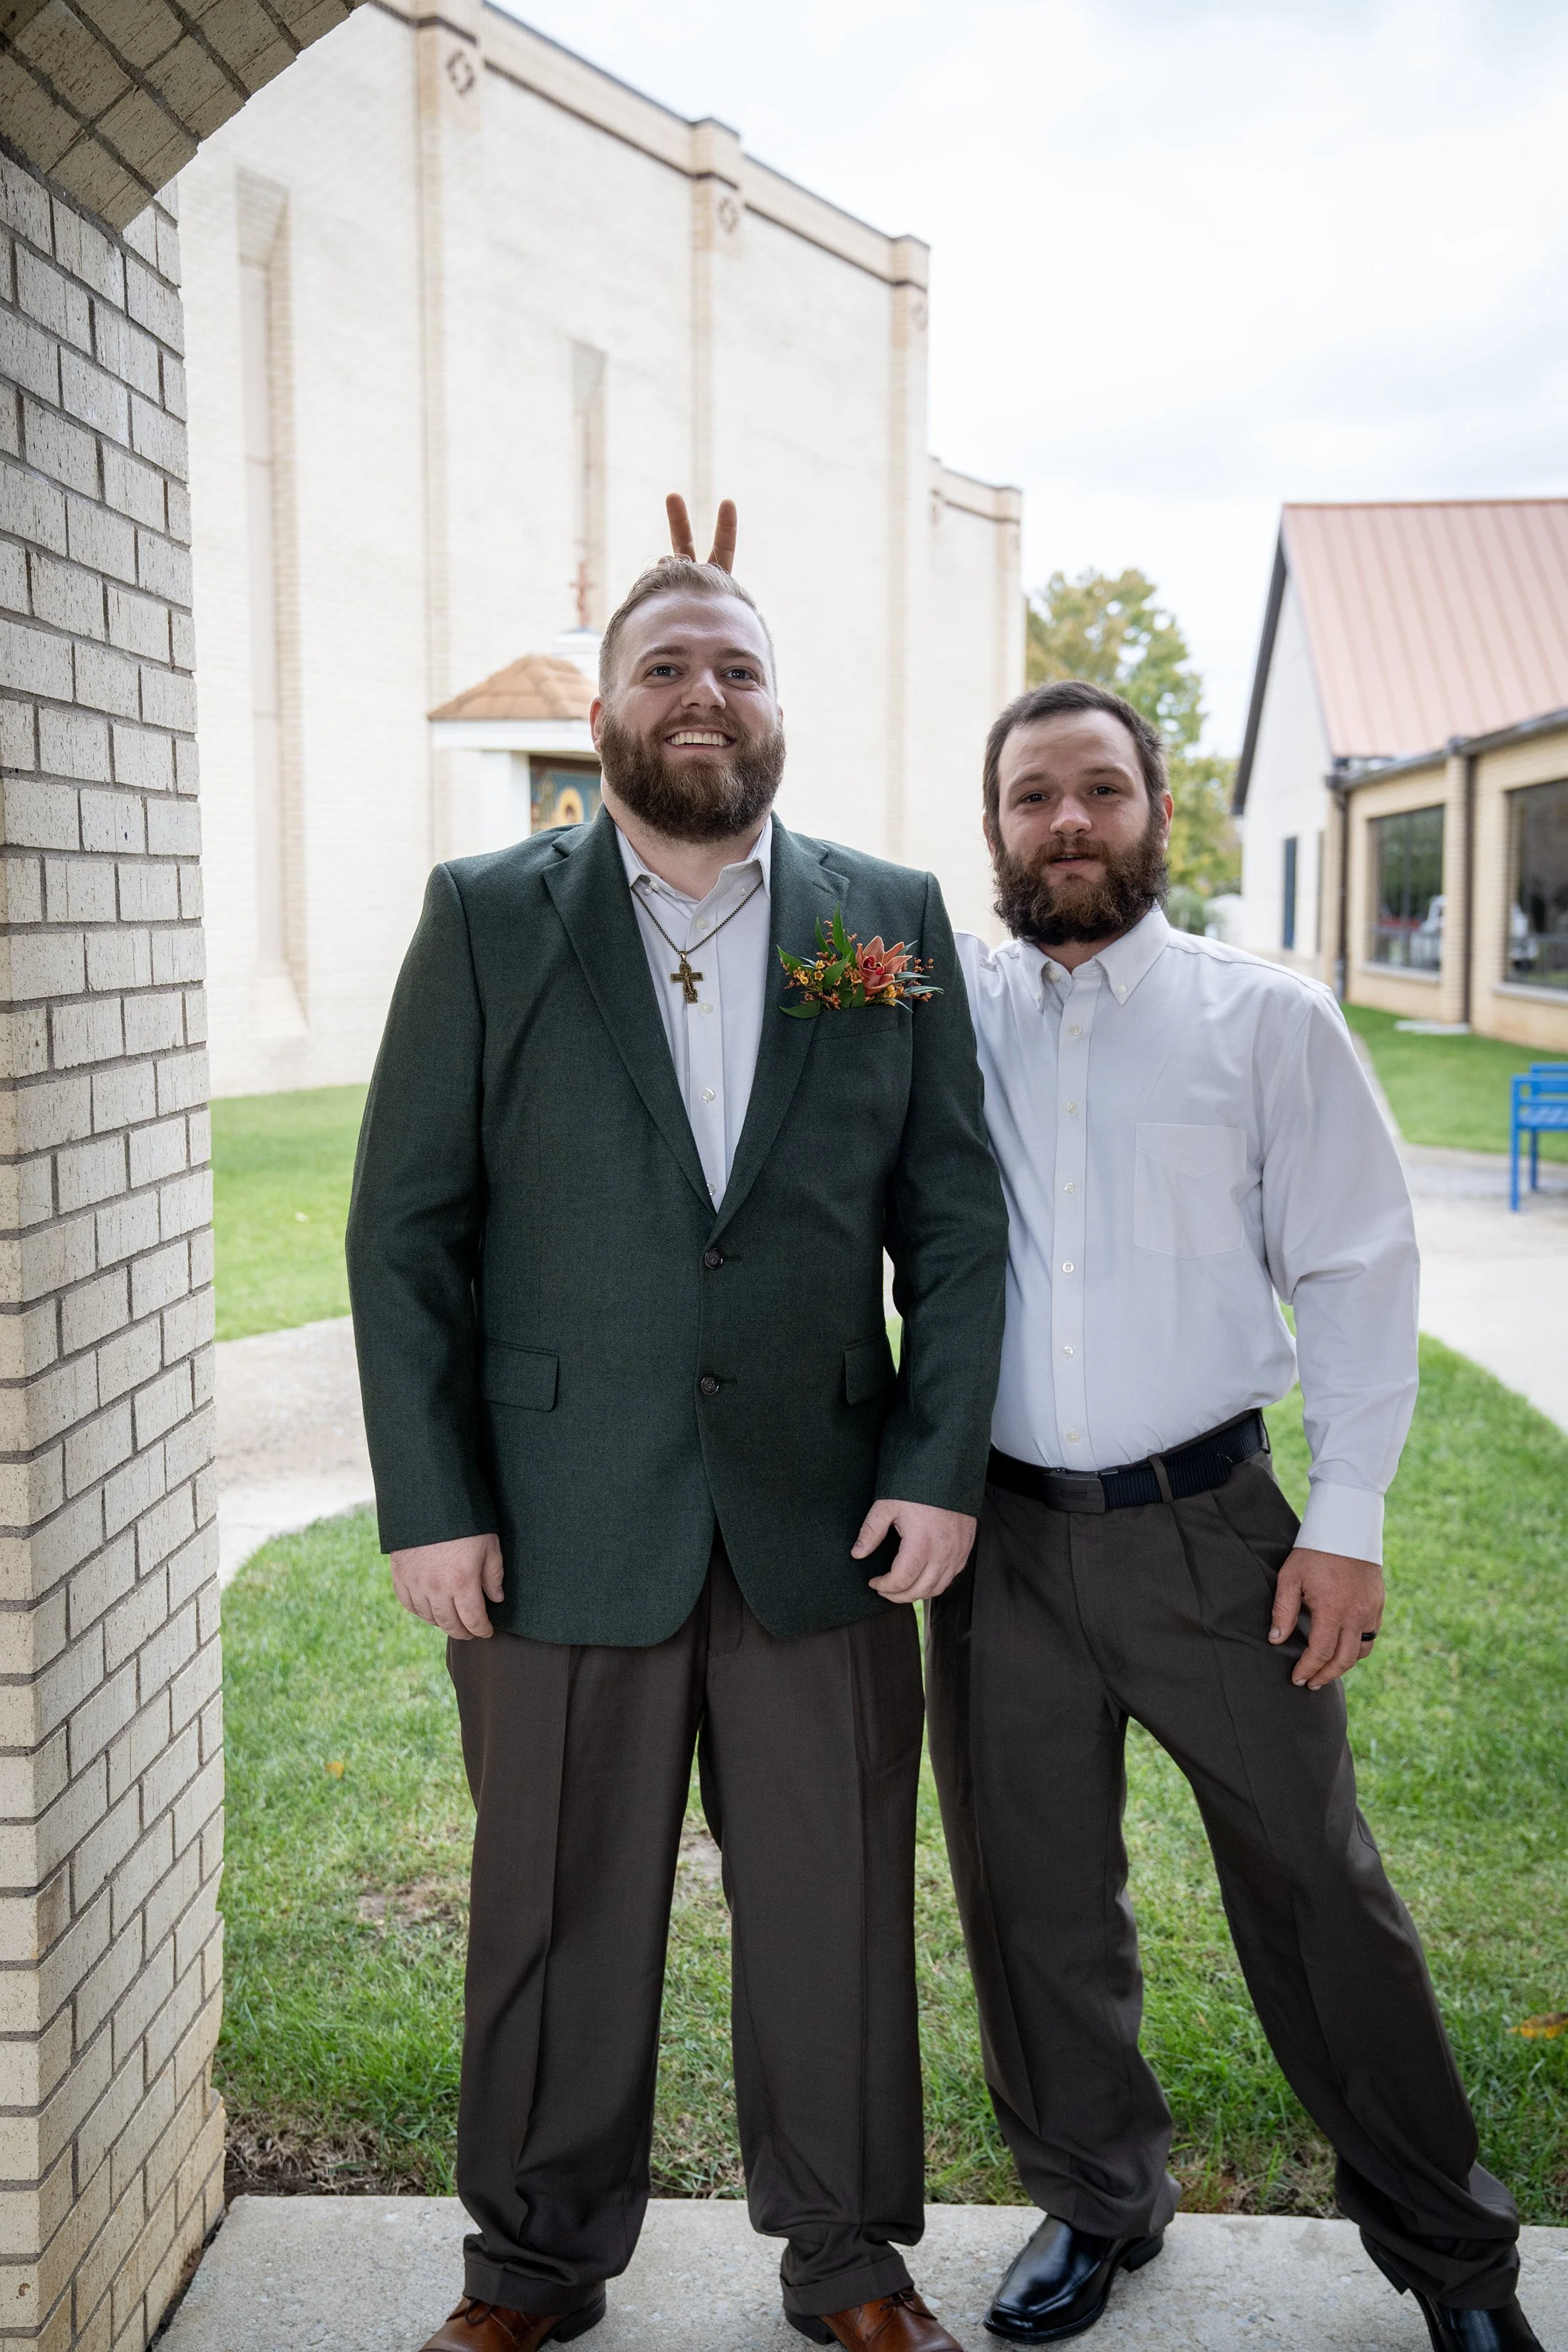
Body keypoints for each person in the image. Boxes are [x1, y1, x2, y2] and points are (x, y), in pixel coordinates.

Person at [346, 501, 1008, 2352]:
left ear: (779, 700)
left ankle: (854, 2262)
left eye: (736, 662)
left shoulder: (888, 919)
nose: (702, 691)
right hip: (558, 1522)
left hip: (826, 1521)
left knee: (839, 1917)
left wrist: (937, 1461)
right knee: (554, 1912)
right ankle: (534, 2267)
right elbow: (407, 1232)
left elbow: (955, 1223)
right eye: (667, 663)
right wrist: (432, 1497)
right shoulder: (488, 918)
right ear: (610, 704)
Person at [927, 676, 1542, 2352]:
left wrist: (1343, 1517)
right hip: (996, 1549)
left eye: (1099, 791)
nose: (1065, 821)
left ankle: (1451, 2255)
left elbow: (1355, 1268)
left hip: (1212, 1532)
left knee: (1316, 1896)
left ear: (1156, 812)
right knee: (1032, 1898)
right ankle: (1095, 2202)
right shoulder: (938, 1018)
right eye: (1031, 795)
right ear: (991, 827)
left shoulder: (1258, 1021)